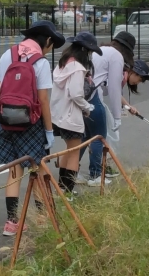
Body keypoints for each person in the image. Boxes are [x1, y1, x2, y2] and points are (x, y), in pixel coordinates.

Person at [0, 20, 65, 236]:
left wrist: (0, 118)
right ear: (48, 40)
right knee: (39, 168)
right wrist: (49, 130)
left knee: (14, 170)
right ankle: (43, 218)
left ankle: (12, 222)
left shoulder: (8, 55)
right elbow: (43, 100)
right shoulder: (40, 62)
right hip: (30, 124)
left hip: (6, 120)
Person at [76, 31, 136, 186]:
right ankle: (95, 175)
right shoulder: (116, 56)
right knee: (99, 136)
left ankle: (72, 173)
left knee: (84, 137)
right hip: (94, 98)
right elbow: (115, 88)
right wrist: (117, 116)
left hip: (81, 96)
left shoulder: (101, 51)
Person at [50, 32, 102, 200]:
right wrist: (88, 107)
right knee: (74, 152)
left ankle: (61, 189)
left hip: (58, 115)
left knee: (68, 149)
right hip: (71, 117)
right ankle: (67, 192)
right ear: (85, 51)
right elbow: (76, 95)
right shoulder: (78, 69)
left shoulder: (62, 65)